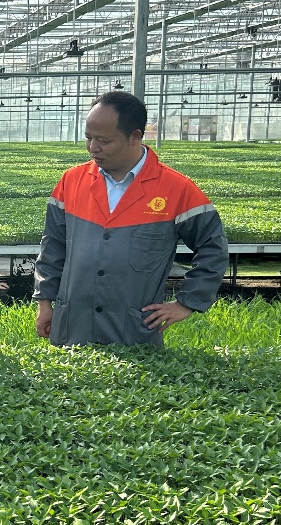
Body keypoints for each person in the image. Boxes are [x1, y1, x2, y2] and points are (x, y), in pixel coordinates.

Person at [33, 90, 229, 347]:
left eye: (104, 140)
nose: (93, 148)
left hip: (134, 332)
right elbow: (53, 246)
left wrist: (187, 302)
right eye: (89, 138)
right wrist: (44, 302)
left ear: (135, 137)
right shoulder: (71, 181)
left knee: (134, 374)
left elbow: (213, 247)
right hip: (72, 327)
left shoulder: (176, 189)